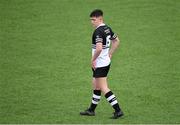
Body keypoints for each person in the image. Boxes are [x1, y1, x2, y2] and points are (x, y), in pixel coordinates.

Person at [80, 9, 124, 119]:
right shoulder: (107, 28)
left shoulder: (98, 32)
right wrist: (110, 54)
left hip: (100, 64)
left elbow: (99, 48)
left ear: (100, 19)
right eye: (91, 20)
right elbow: (117, 41)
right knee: (96, 85)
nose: (92, 22)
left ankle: (118, 110)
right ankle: (91, 110)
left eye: (94, 20)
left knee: (104, 87)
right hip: (105, 62)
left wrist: (93, 60)